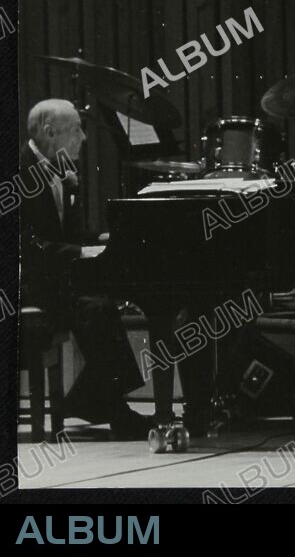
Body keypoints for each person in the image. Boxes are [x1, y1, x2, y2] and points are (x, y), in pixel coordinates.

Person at [20, 99, 151, 439]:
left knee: (103, 304)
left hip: (56, 276)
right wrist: (84, 250)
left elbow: (69, 234)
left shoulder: (56, 165)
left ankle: (92, 402)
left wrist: (107, 239)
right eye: (76, 128)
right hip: (27, 284)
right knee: (98, 309)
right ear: (51, 132)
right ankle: (111, 410)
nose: (84, 137)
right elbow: (27, 246)